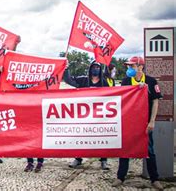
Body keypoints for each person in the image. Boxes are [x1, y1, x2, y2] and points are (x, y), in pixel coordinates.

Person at [112, 56, 163, 190]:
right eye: (128, 66)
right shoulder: (126, 81)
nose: (129, 69)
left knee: (149, 150)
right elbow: (121, 99)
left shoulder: (151, 81)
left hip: (145, 122)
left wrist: (152, 121)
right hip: (129, 122)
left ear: (140, 66)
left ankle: (154, 179)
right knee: (125, 149)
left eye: (132, 66)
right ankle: (120, 177)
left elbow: (155, 102)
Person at [63, 61, 109, 170]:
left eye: (98, 67)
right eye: (94, 67)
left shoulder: (104, 83)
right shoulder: (83, 80)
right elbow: (69, 80)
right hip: (84, 115)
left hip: (99, 115)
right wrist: (66, 69)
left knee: (102, 136)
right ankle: (78, 159)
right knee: (81, 136)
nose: (95, 69)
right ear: (90, 68)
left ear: (100, 69)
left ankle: (104, 160)